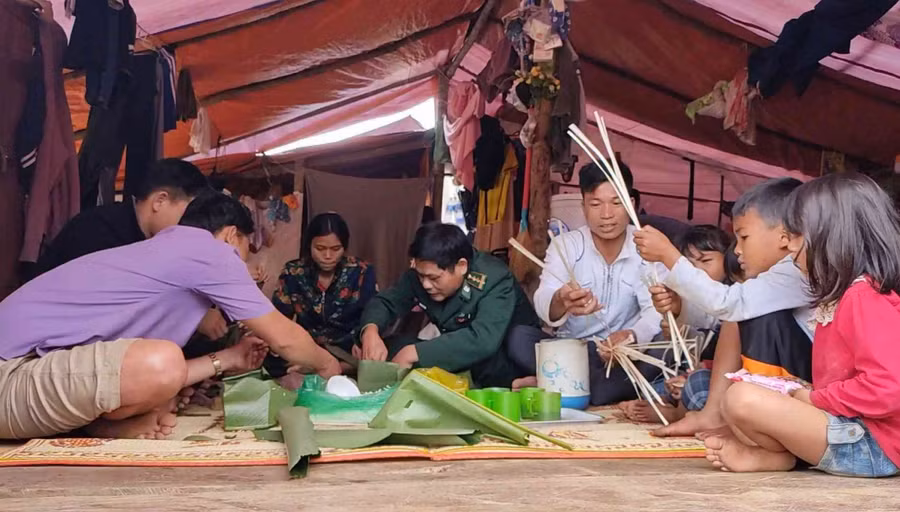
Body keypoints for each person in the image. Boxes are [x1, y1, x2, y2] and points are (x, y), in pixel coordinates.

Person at [0, 193, 340, 441]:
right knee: (161, 362)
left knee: (162, 383)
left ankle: (101, 425)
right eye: (245, 250)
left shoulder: (162, 251)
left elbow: (147, 374)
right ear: (231, 235)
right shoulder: (210, 252)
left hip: (29, 374)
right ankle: (98, 424)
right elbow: (285, 338)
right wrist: (328, 366)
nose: (243, 264)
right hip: (9, 375)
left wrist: (229, 358)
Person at [704, 173, 900, 476]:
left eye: (795, 234)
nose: (787, 243)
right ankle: (781, 457)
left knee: (742, 399)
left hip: (873, 446)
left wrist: (814, 398)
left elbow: (888, 388)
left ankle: (784, 457)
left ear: (831, 236)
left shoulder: (863, 298)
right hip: (851, 430)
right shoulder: (841, 296)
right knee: (739, 397)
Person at [633, 177, 813, 437]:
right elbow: (727, 310)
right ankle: (713, 413)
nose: (737, 250)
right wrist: (679, 306)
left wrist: (669, 256)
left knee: (741, 311)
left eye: (744, 237)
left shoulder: (794, 270)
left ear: (784, 235)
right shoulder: (774, 279)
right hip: (791, 382)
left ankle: (728, 417)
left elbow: (728, 303)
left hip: (806, 388)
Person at [518, 161, 663, 406]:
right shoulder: (566, 245)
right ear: (584, 206)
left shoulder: (647, 248)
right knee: (518, 338)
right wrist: (560, 301)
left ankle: (552, 381)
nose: (606, 214)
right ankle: (575, 381)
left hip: (626, 353)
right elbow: (543, 300)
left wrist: (633, 335)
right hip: (573, 350)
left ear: (631, 203)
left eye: (616, 203)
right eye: (596, 204)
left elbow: (656, 310)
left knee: (664, 350)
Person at [357, 222, 542, 388]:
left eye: (434, 278)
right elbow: (386, 302)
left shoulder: (495, 278)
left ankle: (512, 383)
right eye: (421, 276)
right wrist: (370, 332)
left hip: (500, 355)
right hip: (456, 348)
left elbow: (483, 339)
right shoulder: (422, 275)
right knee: (391, 345)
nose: (425, 285)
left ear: (461, 266)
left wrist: (415, 353)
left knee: (485, 355)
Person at [624, 225, 742, 424]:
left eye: (706, 261)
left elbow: (717, 329)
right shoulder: (689, 296)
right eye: (688, 264)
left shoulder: (735, 293)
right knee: (658, 385)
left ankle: (678, 414)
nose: (697, 271)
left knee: (698, 386)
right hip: (697, 371)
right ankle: (676, 400)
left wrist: (697, 371)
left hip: (723, 380)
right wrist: (677, 319)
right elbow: (700, 327)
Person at [267, 212, 377, 375]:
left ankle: (329, 369)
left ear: (344, 247)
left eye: (335, 249)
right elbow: (279, 317)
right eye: (320, 248)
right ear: (309, 246)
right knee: (267, 355)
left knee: (376, 356)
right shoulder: (293, 272)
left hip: (348, 351)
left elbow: (372, 315)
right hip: (307, 349)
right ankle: (314, 367)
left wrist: (363, 342)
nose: (327, 256)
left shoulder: (361, 272)